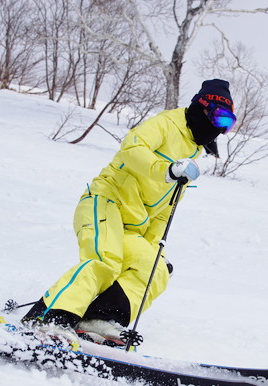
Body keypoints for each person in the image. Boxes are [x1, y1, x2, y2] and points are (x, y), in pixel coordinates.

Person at [21, 79, 236, 345]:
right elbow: (131, 147)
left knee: (155, 270)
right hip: (105, 201)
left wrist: (157, 251)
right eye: (219, 117)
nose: (220, 128)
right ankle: (50, 319)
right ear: (200, 108)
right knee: (106, 261)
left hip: (133, 227)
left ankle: (99, 319)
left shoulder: (193, 152)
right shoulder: (167, 124)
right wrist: (165, 169)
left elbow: (163, 211)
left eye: (228, 123)